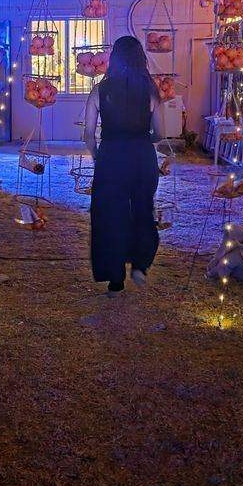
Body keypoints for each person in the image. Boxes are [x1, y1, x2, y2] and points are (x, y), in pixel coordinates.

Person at [83, 35, 166, 296]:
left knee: (110, 216)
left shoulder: (100, 90)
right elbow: (160, 133)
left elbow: (87, 133)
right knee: (142, 210)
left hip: (111, 157)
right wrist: (145, 139)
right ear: (140, 58)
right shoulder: (151, 90)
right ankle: (140, 266)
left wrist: (98, 155)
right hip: (142, 157)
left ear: (114, 60)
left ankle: (115, 277)